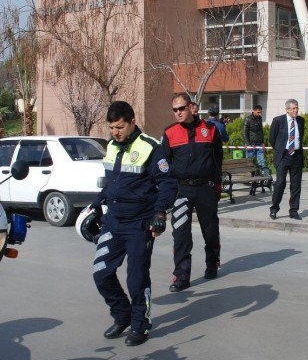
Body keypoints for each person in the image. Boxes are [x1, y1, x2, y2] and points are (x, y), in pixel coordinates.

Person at [89, 101, 177, 346]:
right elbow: (111, 184)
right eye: (111, 128)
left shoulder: (150, 147)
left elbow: (168, 183)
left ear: (131, 122)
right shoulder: (112, 147)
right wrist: (96, 205)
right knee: (101, 273)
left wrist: (160, 213)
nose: (115, 132)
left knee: (136, 279)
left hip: (139, 225)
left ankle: (140, 325)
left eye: (119, 127)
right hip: (113, 222)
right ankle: (122, 315)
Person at [162, 93, 223, 292]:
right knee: (180, 234)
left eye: (181, 108)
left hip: (206, 188)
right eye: (175, 110)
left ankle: (212, 263)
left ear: (191, 107)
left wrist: (217, 186)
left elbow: (217, 159)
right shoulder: (169, 133)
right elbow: (165, 164)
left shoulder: (211, 129)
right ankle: (181, 276)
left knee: (210, 231)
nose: (178, 112)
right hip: (182, 190)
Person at [268, 99, 305, 220]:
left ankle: (293, 211)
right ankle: (274, 209)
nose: (296, 110)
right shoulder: (278, 120)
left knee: (296, 185)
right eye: (293, 108)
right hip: (283, 155)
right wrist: (280, 150)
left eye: (297, 108)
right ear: (287, 109)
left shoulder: (300, 121)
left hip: (297, 156)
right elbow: (272, 139)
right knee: (280, 183)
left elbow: (300, 137)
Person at [242, 104, 266, 170]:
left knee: (262, 161)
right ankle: (249, 176)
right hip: (251, 144)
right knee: (249, 162)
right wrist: (247, 144)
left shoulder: (260, 119)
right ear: (254, 111)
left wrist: (263, 142)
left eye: (260, 112)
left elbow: (261, 131)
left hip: (259, 144)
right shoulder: (248, 119)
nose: (259, 114)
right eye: (258, 112)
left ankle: (264, 176)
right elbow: (244, 132)